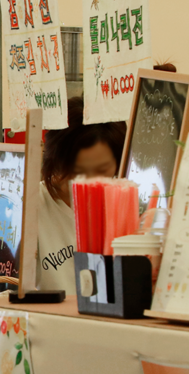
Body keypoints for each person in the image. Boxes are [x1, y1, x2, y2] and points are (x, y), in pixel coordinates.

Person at [35, 95, 126, 293]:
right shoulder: (29, 208)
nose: (91, 182)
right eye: (79, 171)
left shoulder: (124, 208)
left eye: (102, 171)